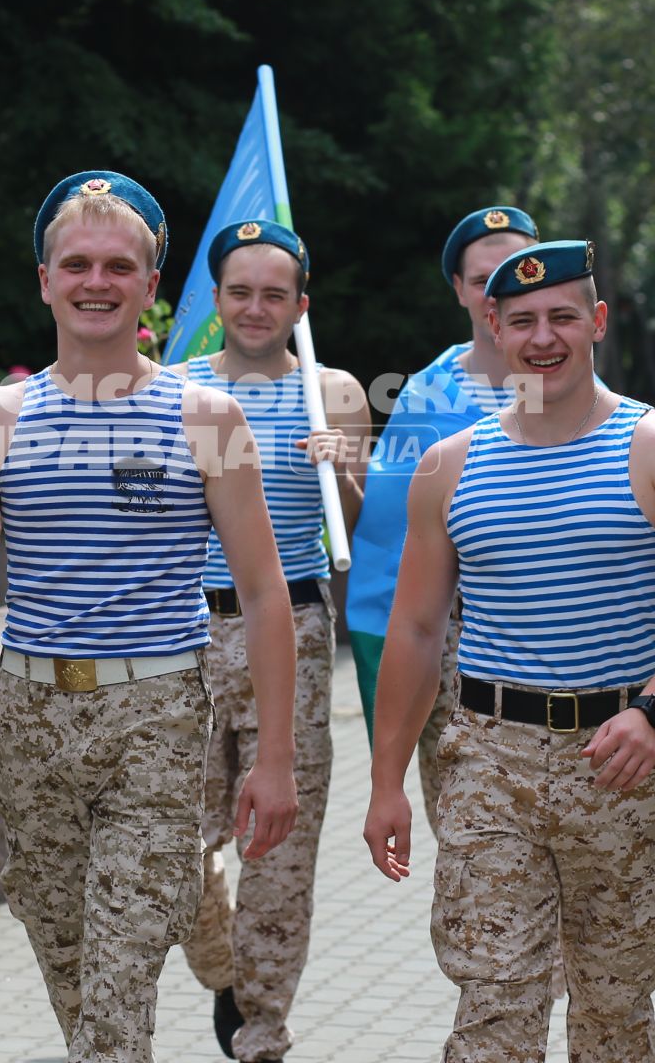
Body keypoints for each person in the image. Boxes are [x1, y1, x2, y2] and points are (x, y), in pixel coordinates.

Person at [0, 171, 299, 1063]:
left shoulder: (207, 416)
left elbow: (264, 594)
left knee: (115, 993)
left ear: (149, 286)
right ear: (44, 279)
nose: (95, 281)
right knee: (71, 968)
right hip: (30, 720)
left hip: (157, 720)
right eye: (76, 265)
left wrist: (277, 760)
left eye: (118, 266)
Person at [364, 239, 655, 1062]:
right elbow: (418, 630)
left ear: (597, 321)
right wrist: (386, 779)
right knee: (494, 1004)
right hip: (488, 761)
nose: (544, 338)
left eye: (563, 316)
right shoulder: (448, 468)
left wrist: (654, 714)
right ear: (492, 328)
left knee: (613, 1011)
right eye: (524, 320)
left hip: (619, 762)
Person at [173, 219, 369, 1063]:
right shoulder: (172, 388)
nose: (257, 308)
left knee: (279, 849)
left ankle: (262, 1026)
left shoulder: (337, 393)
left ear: (301, 302)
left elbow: (351, 535)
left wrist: (344, 467)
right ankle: (221, 960)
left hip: (291, 627)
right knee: (168, 838)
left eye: (274, 294)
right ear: (217, 301)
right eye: (240, 292)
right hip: (178, 634)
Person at [344, 207, 538, 829]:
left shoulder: (575, 386)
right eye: (484, 279)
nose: (500, 292)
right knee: (471, 844)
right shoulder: (426, 397)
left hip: (559, 645)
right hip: (456, 650)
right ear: (459, 288)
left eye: (517, 275)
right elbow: (386, 538)